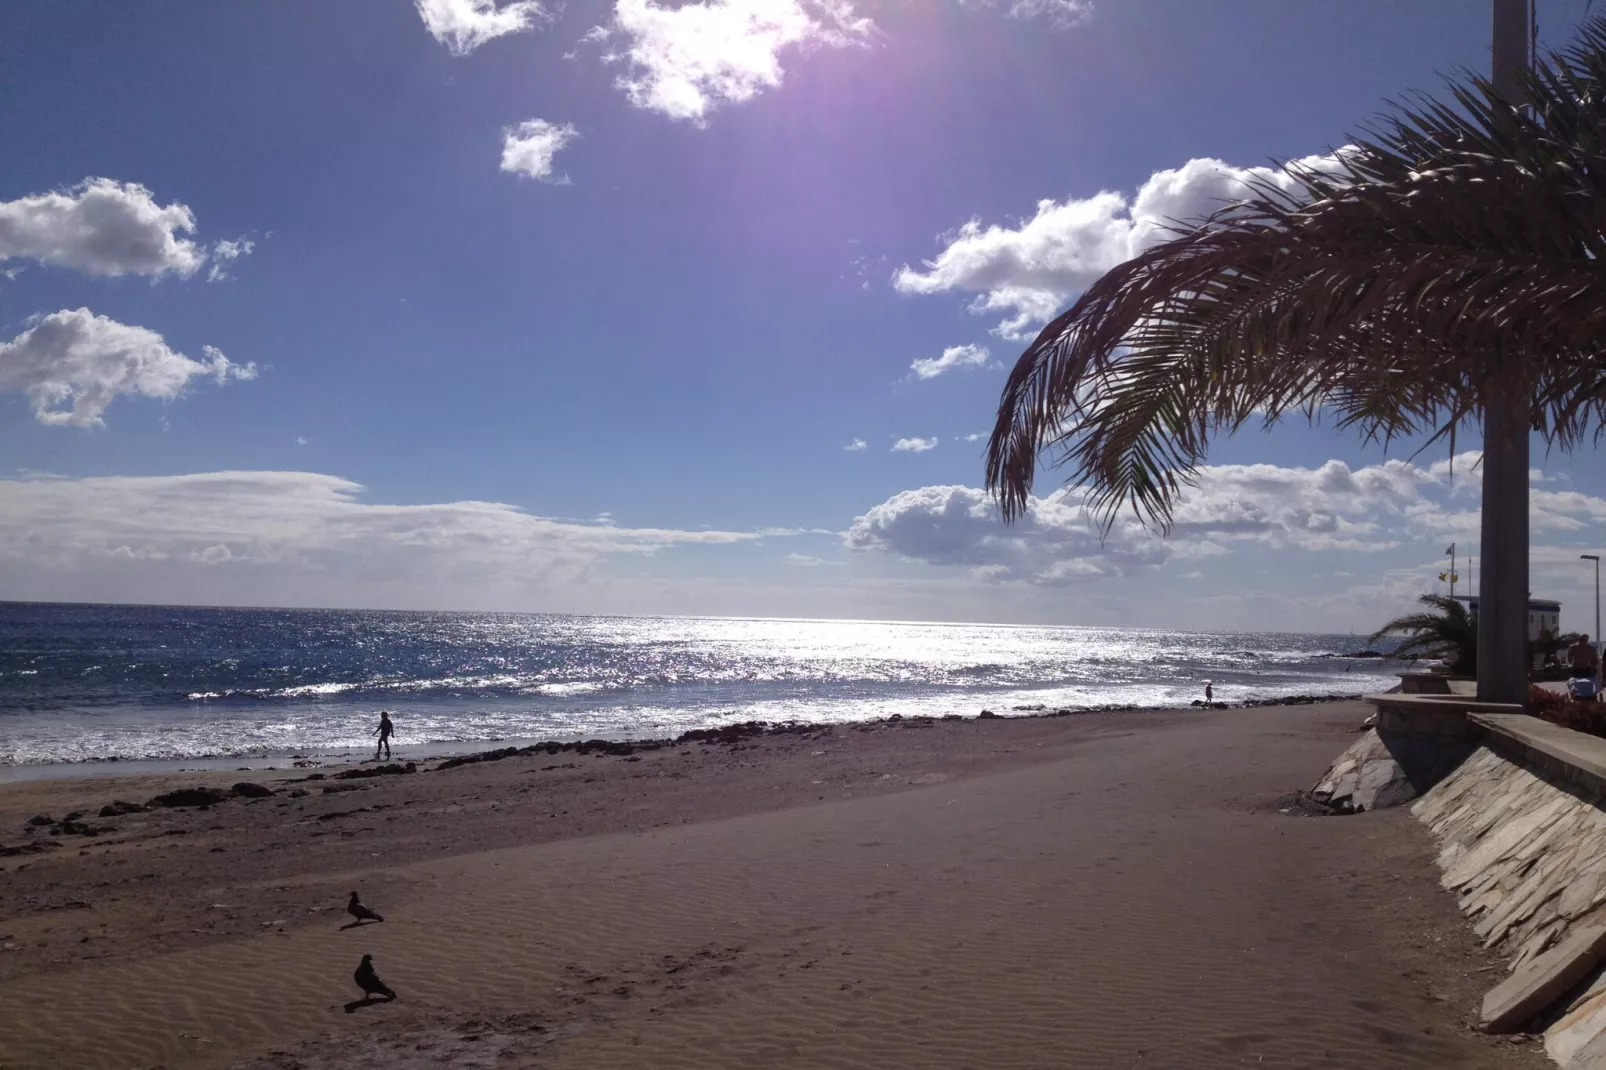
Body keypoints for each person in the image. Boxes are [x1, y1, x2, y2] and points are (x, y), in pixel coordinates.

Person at [1568, 635, 1600, 701]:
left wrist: (1593, 666)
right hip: (1576, 668)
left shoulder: (1591, 648)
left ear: (1587, 641)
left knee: (1592, 681)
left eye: (1583, 640)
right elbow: (1569, 658)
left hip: (1587, 669)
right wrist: (1570, 665)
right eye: (1580, 640)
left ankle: (1591, 694)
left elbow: (1595, 660)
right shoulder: (1573, 647)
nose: (1581, 642)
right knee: (1574, 681)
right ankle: (1574, 693)